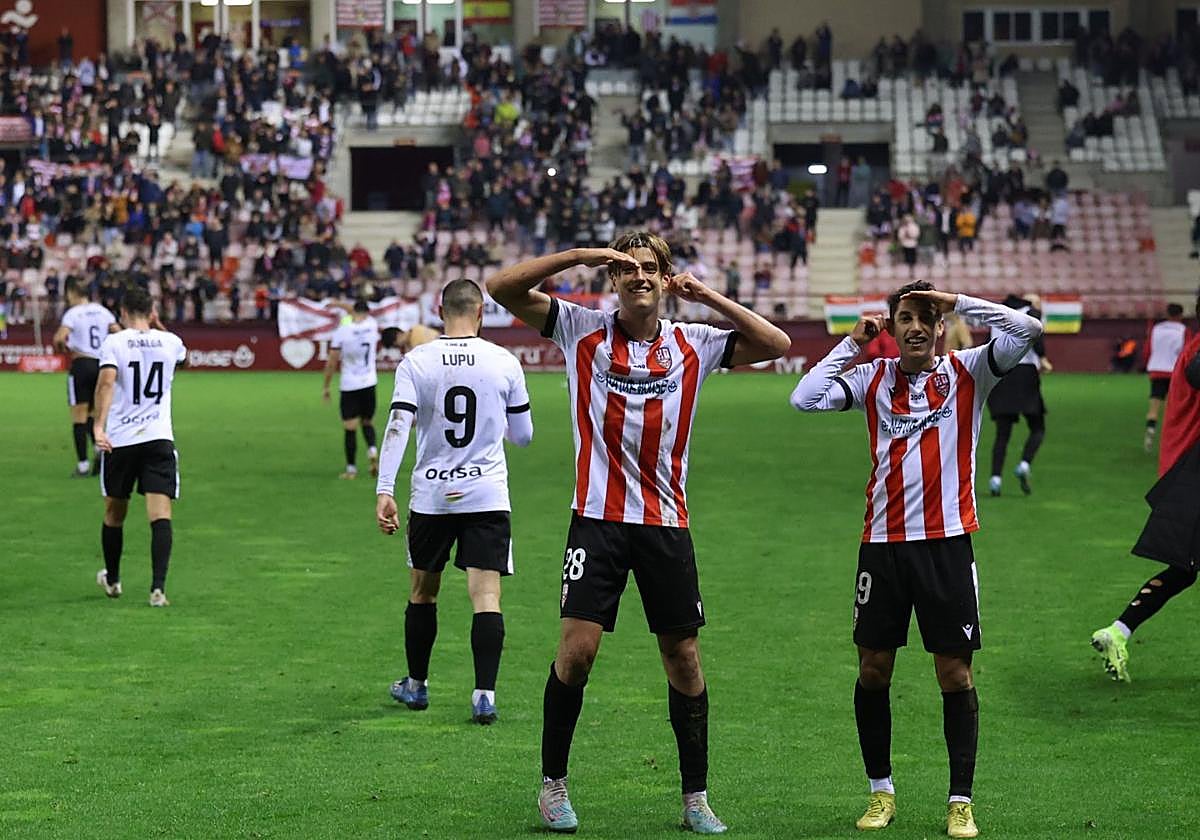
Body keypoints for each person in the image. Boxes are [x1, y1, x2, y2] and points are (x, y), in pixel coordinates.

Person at [486, 235, 790, 835]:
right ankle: (553, 786)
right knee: (577, 653)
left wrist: (704, 295)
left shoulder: (694, 342)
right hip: (597, 521)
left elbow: (776, 344)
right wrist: (577, 258)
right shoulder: (578, 328)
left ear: (665, 278)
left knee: (684, 658)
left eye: (649, 269)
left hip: (666, 524)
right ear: (613, 280)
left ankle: (696, 796)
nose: (638, 277)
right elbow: (501, 289)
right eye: (626, 269)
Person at [789, 280, 1042, 839]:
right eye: (906, 316)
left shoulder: (970, 370)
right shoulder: (873, 377)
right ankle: (881, 792)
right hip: (881, 547)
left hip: (948, 545)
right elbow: (804, 397)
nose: (916, 326)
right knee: (874, 669)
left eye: (927, 316)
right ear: (893, 325)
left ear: (940, 324)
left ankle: (960, 801)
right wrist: (852, 344)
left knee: (954, 673)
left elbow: (1028, 329)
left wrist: (956, 303)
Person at [375, 279, 533, 725]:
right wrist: (492, 426)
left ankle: (418, 685)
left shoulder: (416, 360)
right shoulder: (504, 361)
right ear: (481, 311)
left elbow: (397, 427)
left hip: (432, 496)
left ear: (440, 310)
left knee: (423, 592)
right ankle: (484, 694)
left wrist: (384, 488)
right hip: (486, 493)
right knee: (486, 595)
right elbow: (523, 437)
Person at [1091, 293, 1200, 681]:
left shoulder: (1191, 346)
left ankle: (1117, 632)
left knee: (1185, 569)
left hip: (1186, 472)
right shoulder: (1197, 353)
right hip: (1191, 471)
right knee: (1185, 568)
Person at [92, 285, 187, 607]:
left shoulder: (114, 342)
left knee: (114, 512)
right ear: (152, 311)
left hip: (121, 439)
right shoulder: (171, 342)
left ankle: (114, 580)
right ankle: (157, 588)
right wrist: (158, 327)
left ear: (123, 311)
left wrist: (98, 425)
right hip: (159, 438)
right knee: (160, 515)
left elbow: (106, 382)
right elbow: (183, 360)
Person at [985, 295, 1050, 496]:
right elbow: (1036, 337)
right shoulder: (1031, 314)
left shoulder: (1000, 315)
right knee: (1037, 427)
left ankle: (995, 478)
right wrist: (1044, 359)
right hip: (1026, 374)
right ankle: (1024, 463)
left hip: (1002, 375)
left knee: (1002, 433)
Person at [54, 279, 117, 477]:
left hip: (81, 364)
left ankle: (82, 465)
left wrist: (64, 349)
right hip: (101, 366)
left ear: (73, 293)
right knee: (95, 415)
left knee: (79, 417)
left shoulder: (73, 313)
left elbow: (59, 338)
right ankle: (99, 451)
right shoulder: (102, 311)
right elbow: (118, 332)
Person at [323, 300, 381, 480]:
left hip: (350, 384)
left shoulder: (342, 332)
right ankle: (372, 450)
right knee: (368, 421)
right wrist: (341, 304)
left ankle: (351, 469)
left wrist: (326, 386)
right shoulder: (372, 325)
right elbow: (357, 312)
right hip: (369, 382)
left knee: (350, 427)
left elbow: (332, 361)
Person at [1143, 303, 1187, 453]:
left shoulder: (1156, 329)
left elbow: (1148, 349)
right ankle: (1174, 442)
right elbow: (1187, 354)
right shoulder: (1183, 331)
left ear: (1167, 314)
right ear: (1181, 315)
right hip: (1175, 373)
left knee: (1154, 408)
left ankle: (1149, 437)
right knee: (1175, 409)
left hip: (1156, 370)